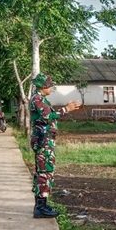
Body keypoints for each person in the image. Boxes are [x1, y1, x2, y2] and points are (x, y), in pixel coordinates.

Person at [29, 73, 81, 218]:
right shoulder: (37, 99)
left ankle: (42, 204)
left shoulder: (41, 99)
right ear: (43, 86)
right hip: (43, 141)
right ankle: (40, 208)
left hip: (46, 140)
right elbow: (47, 117)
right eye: (50, 86)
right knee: (45, 173)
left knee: (45, 172)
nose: (52, 88)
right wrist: (66, 109)